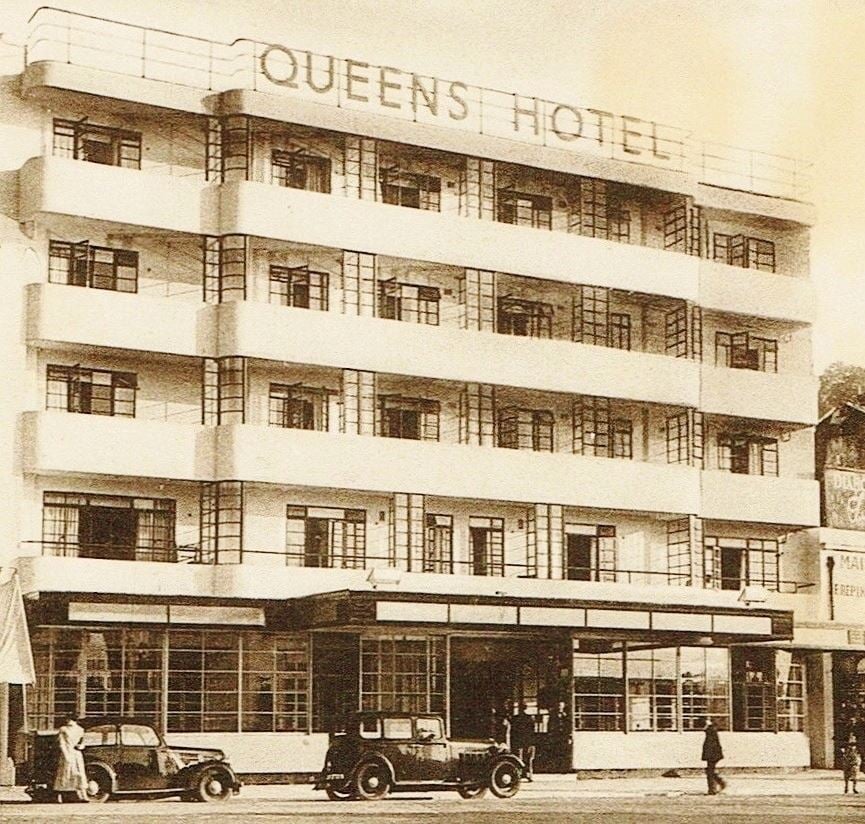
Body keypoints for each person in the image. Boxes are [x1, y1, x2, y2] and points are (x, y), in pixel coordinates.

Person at [53, 717, 89, 803]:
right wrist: (66, 754)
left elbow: (82, 742)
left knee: (78, 773)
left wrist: (80, 746)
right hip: (69, 753)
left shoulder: (80, 730)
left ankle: (82, 794)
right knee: (66, 773)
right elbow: (62, 743)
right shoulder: (64, 729)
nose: (68, 721)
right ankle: (61, 795)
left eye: (70, 719)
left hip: (74, 753)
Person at [511, 703, 536, 782]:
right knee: (528, 759)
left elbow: (513, 731)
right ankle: (529, 775)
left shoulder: (515, 718)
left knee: (519, 759)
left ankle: (518, 775)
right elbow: (532, 731)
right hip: (528, 741)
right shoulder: (530, 718)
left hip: (519, 741)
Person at [701, 719, 726, 795]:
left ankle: (713, 789)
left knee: (710, 772)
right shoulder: (712, 730)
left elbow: (709, 745)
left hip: (712, 755)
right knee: (710, 771)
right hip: (714, 755)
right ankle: (719, 784)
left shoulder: (710, 731)